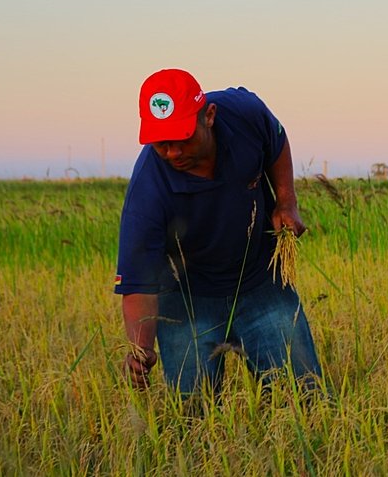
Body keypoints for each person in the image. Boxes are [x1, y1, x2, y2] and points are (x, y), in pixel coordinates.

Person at [116, 68, 321, 395]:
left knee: (305, 399)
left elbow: (277, 140)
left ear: (208, 116)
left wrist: (286, 201)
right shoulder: (147, 190)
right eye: (161, 143)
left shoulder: (244, 113)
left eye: (182, 139)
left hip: (260, 284)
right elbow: (139, 283)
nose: (173, 153)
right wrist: (142, 350)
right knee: (193, 418)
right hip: (187, 302)